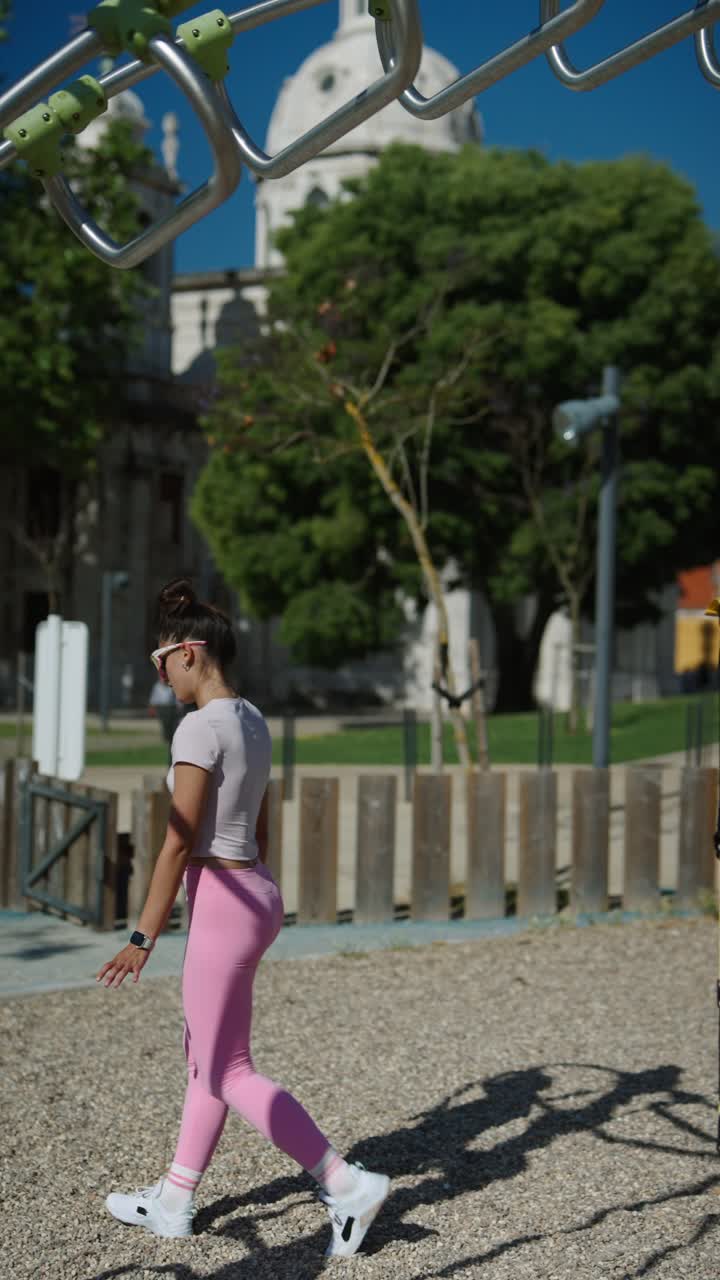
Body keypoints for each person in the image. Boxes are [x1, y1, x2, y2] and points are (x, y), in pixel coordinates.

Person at [96, 578, 389, 1259]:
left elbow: (177, 838)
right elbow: (257, 820)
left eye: (160, 659)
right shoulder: (252, 719)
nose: (159, 672)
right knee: (207, 1057)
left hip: (225, 901)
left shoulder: (199, 727)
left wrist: (142, 936)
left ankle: (345, 1183)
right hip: (255, 890)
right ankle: (174, 1200)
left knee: (226, 1067)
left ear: (191, 653)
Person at [148, 675, 182, 762]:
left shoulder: (172, 686)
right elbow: (154, 699)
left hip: (172, 709)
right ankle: (167, 737)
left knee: (172, 735)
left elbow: (178, 700)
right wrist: (152, 709)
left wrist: (179, 707)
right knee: (167, 733)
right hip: (162, 709)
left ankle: (171, 739)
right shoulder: (157, 686)